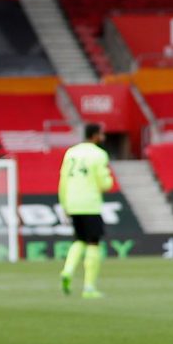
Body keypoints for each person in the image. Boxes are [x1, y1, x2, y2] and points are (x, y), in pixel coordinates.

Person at [59, 123, 114, 298]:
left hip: (72, 202)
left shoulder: (71, 152)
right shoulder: (99, 154)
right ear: (96, 135)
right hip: (89, 203)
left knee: (79, 239)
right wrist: (108, 182)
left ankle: (67, 270)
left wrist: (64, 204)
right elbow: (104, 183)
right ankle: (89, 287)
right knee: (93, 242)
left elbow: (63, 180)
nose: (103, 138)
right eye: (102, 134)